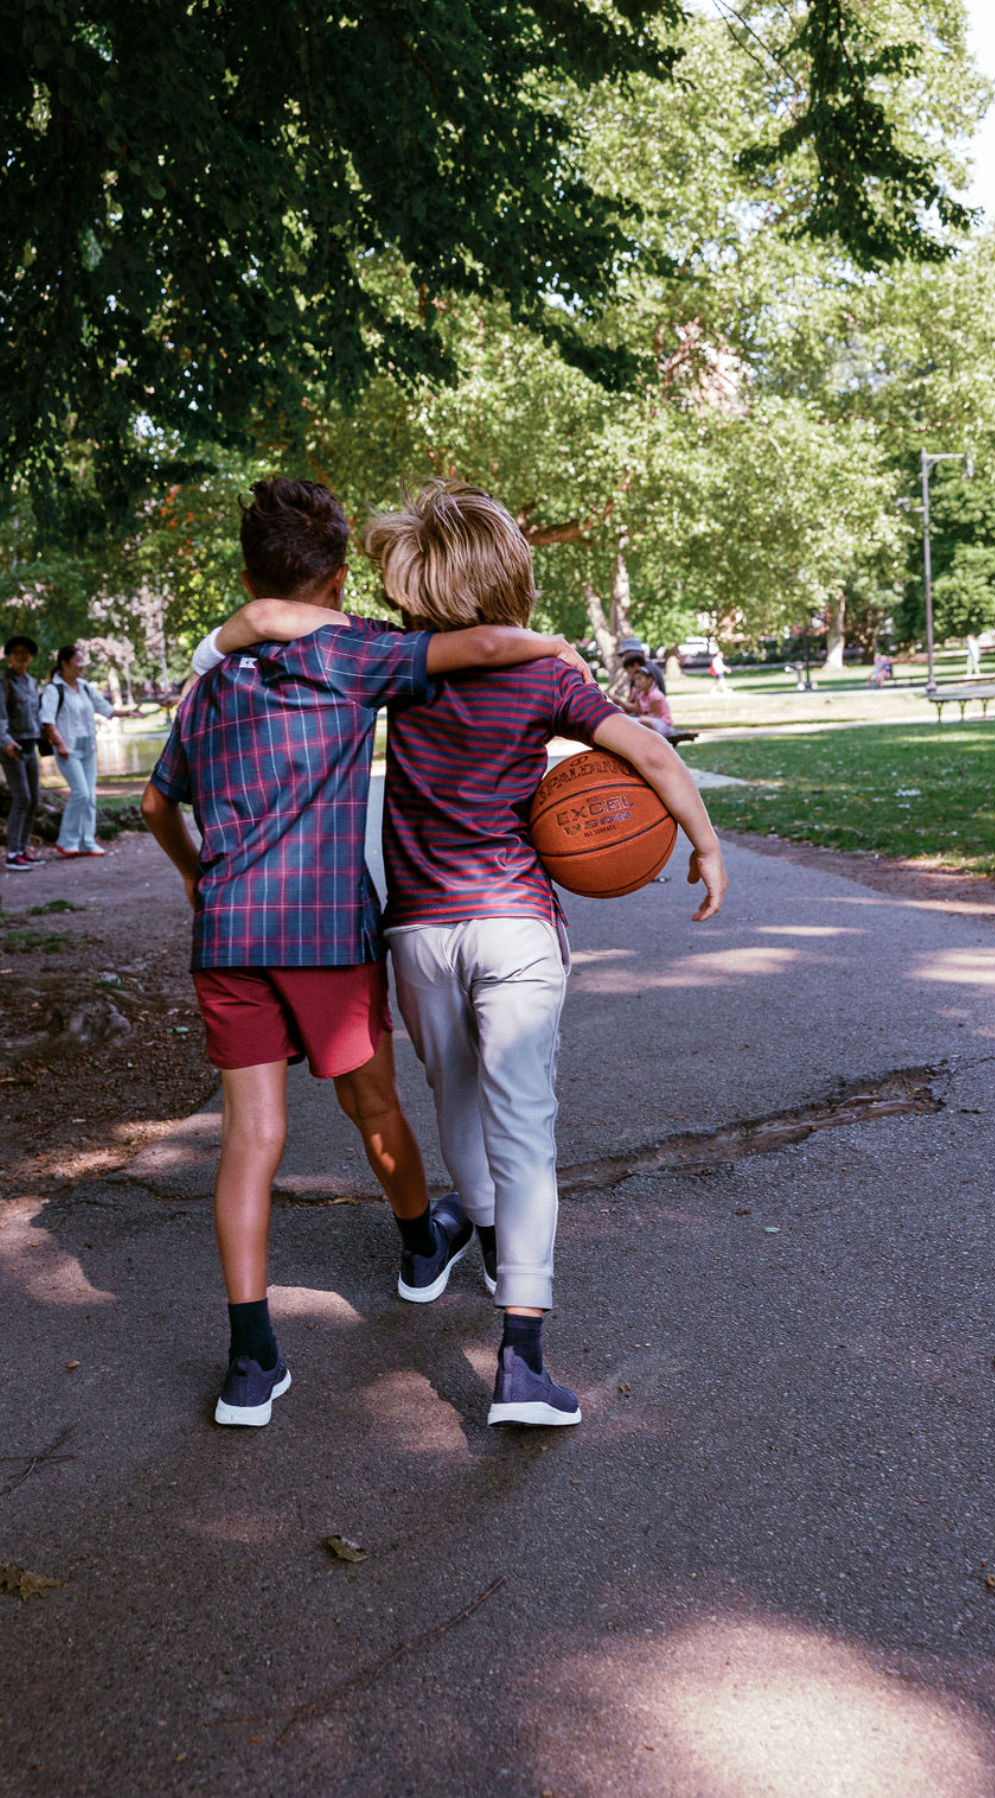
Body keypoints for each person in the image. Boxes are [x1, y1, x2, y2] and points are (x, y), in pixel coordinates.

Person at [204, 478, 728, 1429]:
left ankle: (479, 1230)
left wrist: (217, 645)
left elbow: (265, 616)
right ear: (514, 578)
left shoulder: (392, 657)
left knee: (456, 1101)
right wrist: (702, 838)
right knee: (527, 1130)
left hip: (418, 932)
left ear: (418, 586)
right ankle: (520, 1357)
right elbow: (650, 753)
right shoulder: (547, 677)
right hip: (514, 926)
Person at [141, 476, 594, 1428]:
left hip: (226, 936)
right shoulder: (356, 656)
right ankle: (420, 1241)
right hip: (321, 933)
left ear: (245, 572)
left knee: (251, 1142)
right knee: (373, 1101)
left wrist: (194, 875)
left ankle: (251, 1364)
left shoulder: (206, 687)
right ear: (343, 575)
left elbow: (154, 805)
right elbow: (481, 645)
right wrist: (554, 647)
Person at [40, 645, 114, 858]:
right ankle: (67, 841)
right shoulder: (54, 689)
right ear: (64, 662)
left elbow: (104, 708)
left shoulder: (84, 686)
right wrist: (60, 744)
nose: (82, 665)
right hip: (67, 748)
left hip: (88, 746)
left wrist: (127, 712)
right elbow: (47, 720)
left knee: (90, 796)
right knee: (81, 793)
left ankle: (87, 842)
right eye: (78, 660)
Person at [1, 634, 44, 871]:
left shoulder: (31, 682)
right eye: (15, 652)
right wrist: (6, 742)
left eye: (25, 653)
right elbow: (0, 718)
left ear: (30, 657)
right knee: (22, 798)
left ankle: (23, 850)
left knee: (34, 799)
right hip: (12, 748)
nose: (20, 656)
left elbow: (36, 715)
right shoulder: (3, 683)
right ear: (8, 656)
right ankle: (12, 853)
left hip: (30, 745)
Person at [623, 663, 676, 737]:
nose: (637, 683)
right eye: (635, 680)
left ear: (649, 680)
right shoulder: (641, 695)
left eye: (639, 679)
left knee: (641, 720)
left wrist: (640, 717)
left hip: (663, 724)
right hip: (651, 722)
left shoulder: (655, 695)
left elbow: (655, 714)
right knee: (629, 719)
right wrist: (632, 697)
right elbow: (637, 710)